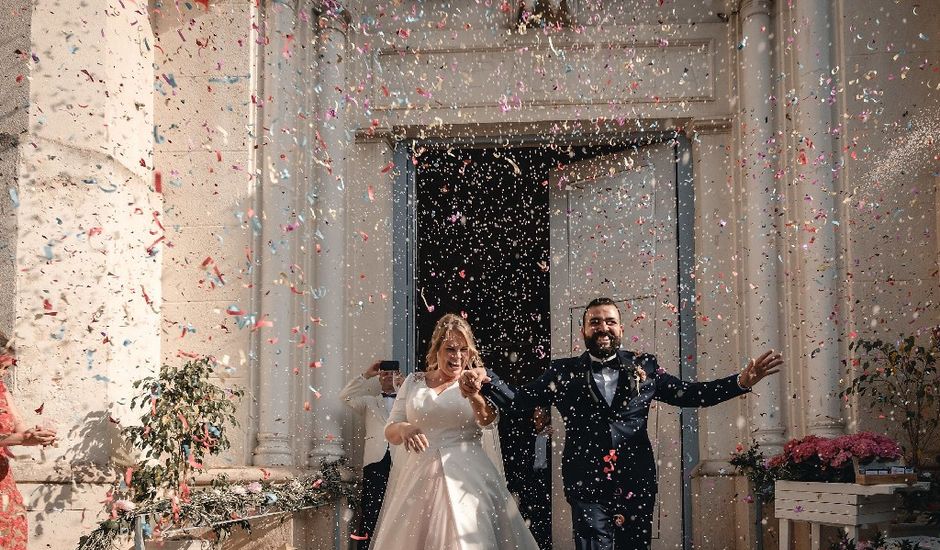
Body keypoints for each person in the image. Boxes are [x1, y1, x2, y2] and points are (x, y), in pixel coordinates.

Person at [460, 297, 782, 550]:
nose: (603, 327)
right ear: (583, 330)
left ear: (622, 329)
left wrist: (739, 382)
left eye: (610, 321)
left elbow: (690, 394)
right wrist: (487, 381)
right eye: (595, 322)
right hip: (585, 483)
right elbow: (518, 401)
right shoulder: (563, 372)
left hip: (635, 480)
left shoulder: (645, 366)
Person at [370, 313, 539, 550]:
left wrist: (474, 395)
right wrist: (405, 428)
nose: (458, 356)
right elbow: (391, 429)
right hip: (419, 476)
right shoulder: (413, 381)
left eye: (464, 349)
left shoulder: (478, 380)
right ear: (436, 349)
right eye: (450, 349)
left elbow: (487, 421)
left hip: (468, 476)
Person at [0, 332, 57, 550]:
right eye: (0, 367)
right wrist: (23, 438)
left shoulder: (2, 390)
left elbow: (19, 426)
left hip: (3, 481)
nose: (3, 374)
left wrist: (35, 436)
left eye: (7, 368)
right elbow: (17, 437)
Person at [339, 361, 403, 548]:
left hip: (402, 461)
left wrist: (407, 385)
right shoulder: (369, 401)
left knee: (399, 508)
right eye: (384, 374)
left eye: (393, 373)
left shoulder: (408, 401)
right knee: (370, 509)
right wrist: (366, 375)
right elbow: (345, 396)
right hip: (375, 461)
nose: (388, 377)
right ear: (379, 377)